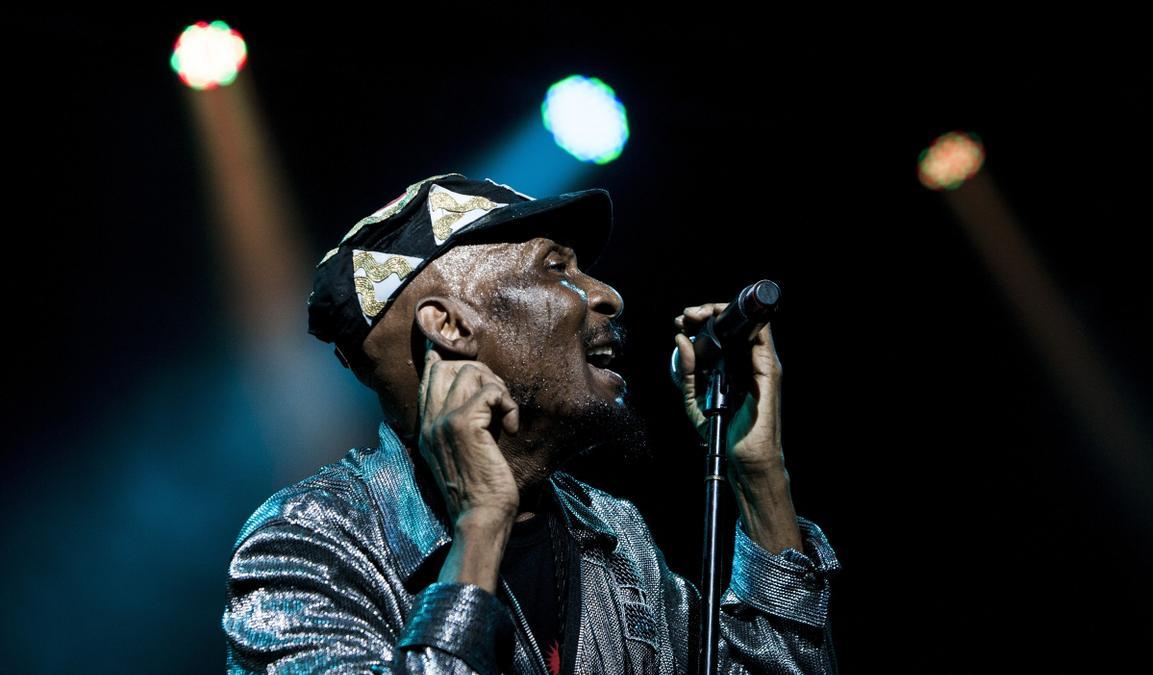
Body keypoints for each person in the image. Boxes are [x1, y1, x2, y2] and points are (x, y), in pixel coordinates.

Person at [221, 173, 840, 674]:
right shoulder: (313, 540)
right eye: (555, 268)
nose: (607, 295)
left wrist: (759, 479)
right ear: (451, 327)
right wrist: (481, 525)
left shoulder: (613, 533)